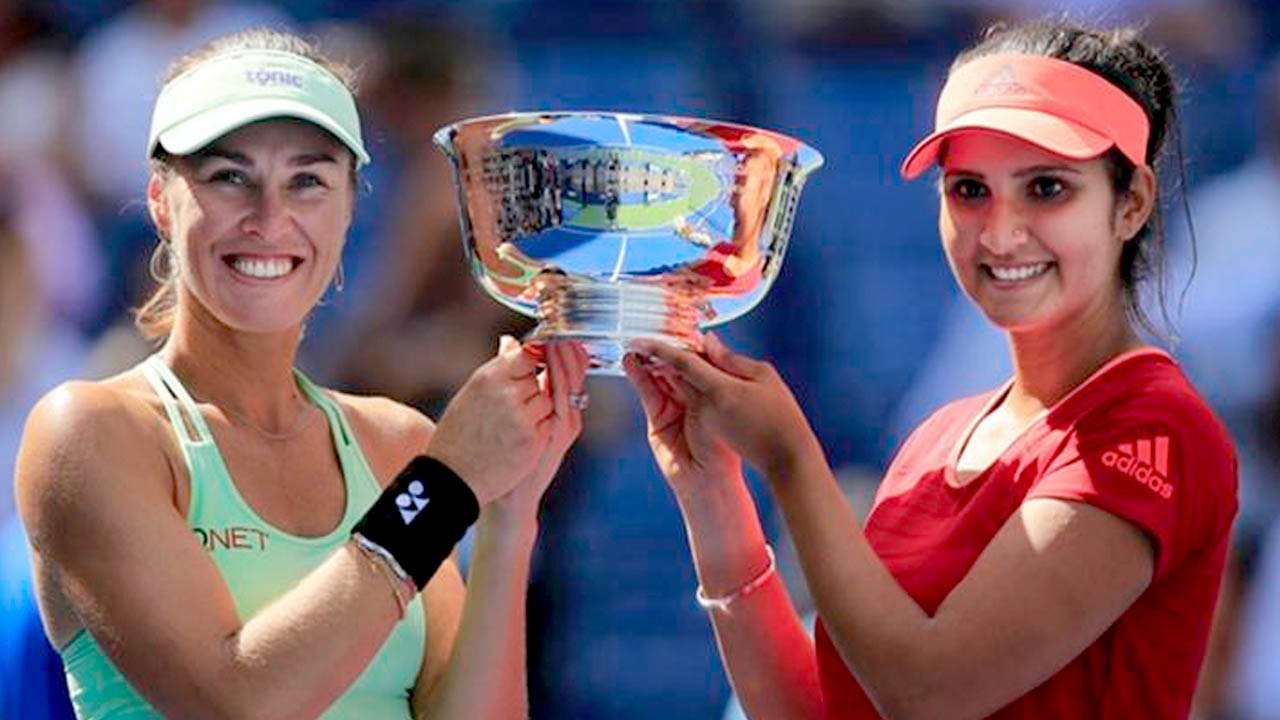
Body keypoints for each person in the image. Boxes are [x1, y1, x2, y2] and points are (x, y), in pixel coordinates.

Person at [624, 20, 1238, 719]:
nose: (1000, 233)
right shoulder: (938, 436)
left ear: (1132, 203)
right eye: (969, 190)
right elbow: (816, 711)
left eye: (1046, 188)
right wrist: (713, 493)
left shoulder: (1155, 429)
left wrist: (791, 460)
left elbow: (929, 696)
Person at [14, 27, 589, 719]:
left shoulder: (400, 444)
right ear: (161, 200)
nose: (269, 218)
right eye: (230, 177)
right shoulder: (89, 431)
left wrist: (506, 518)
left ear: (348, 210)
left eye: (307, 182)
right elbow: (237, 706)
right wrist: (443, 488)